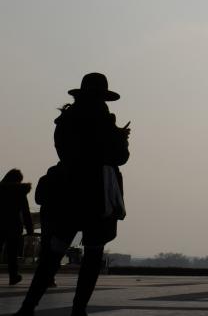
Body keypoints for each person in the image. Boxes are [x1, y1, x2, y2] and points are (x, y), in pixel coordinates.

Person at [16, 73, 130, 316]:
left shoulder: (66, 119)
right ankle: (78, 310)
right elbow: (120, 157)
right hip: (97, 197)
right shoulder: (105, 123)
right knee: (92, 255)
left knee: (52, 255)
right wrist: (120, 139)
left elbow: (64, 152)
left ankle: (28, 307)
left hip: (68, 195)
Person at [0, 169, 34, 286]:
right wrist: (30, 229)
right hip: (14, 226)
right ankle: (13, 276)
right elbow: (26, 212)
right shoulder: (19, 192)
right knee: (12, 253)